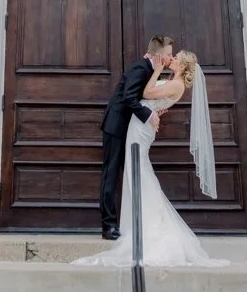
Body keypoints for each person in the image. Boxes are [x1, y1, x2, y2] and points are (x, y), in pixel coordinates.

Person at [76, 48, 226, 267]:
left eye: (176, 58)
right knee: (136, 170)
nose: (172, 59)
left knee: (139, 170)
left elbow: (146, 94)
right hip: (138, 124)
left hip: (141, 128)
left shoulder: (176, 84)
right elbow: (148, 98)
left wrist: (155, 72)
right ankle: (134, 223)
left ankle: (146, 225)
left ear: (183, 66)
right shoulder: (173, 82)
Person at [97, 35, 171, 239]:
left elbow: (139, 97)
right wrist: (148, 115)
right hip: (116, 126)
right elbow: (129, 97)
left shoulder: (150, 70)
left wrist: (153, 109)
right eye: (168, 54)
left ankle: (124, 223)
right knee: (110, 174)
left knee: (127, 173)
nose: (170, 58)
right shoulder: (140, 68)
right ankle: (108, 226)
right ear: (157, 55)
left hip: (128, 128)